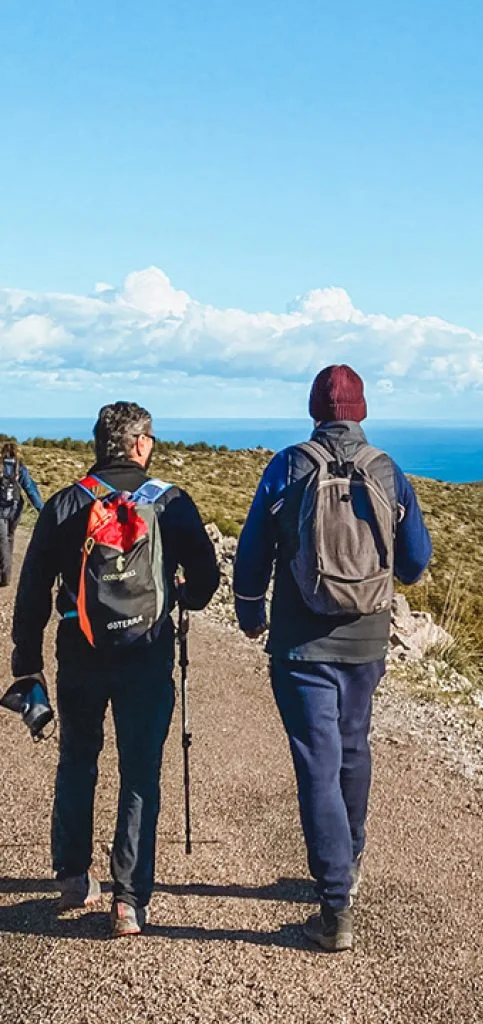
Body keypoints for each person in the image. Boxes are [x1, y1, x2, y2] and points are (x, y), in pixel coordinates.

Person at [233, 364, 432, 952]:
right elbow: (417, 562)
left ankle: (336, 908)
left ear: (316, 409)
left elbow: (250, 555)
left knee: (316, 763)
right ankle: (352, 859)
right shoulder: (387, 472)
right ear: (361, 410)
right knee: (353, 747)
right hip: (367, 639)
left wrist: (251, 614)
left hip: (301, 643)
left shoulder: (288, 466)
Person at [11, 402, 219, 937]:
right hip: (146, 654)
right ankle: (129, 901)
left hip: (80, 652)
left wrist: (26, 663)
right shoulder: (170, 502)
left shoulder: (64, 505)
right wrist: (180, 596)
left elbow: (32, 591)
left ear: (98, 443)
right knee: (140, 771)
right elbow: (204, 580)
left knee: (78, 758)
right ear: (141, 444)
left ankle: (74, 876)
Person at [0, 441, 45, 587]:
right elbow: (30, 490)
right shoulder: (20, 469)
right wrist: (42, 510)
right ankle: (7, 572)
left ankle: (5, 574)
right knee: (10, 538)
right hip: (15, 509)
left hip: (1, 510)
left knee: (2, 541)